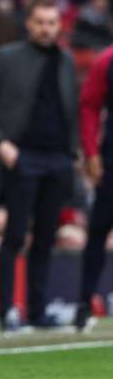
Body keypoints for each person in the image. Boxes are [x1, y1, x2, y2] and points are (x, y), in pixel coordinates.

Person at [0, 1, 79, 331]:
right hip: (22, 157)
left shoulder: (66, 60)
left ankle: (38, 311)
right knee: (15, 236)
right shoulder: (8, 58)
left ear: (59, 26)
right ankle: (7, 312)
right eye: (40, 22)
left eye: (52, 22)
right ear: (29, 24)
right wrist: (1, 143)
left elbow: (69, 108)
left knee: (45, 238)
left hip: (56, 158)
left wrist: (72, 154)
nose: (46, 28)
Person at [76, 44, 113, 330]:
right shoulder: (106, 60)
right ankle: (84, 303)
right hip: (111, 159)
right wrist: (91, 152)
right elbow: (89, 105)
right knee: (99, 229)